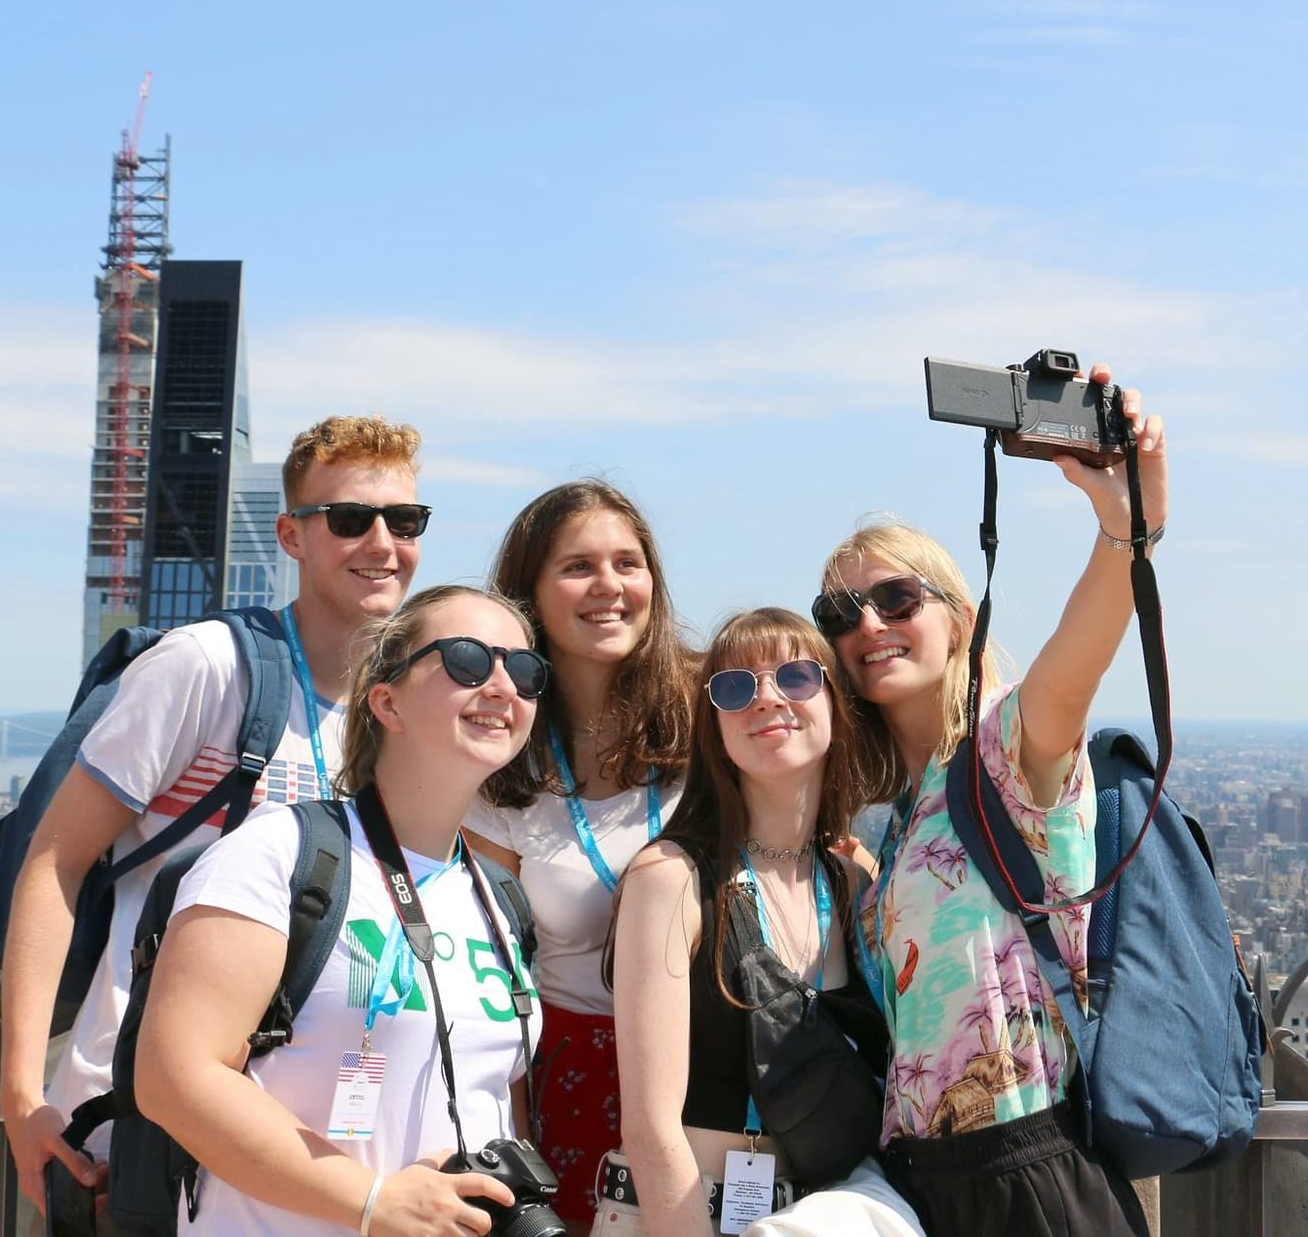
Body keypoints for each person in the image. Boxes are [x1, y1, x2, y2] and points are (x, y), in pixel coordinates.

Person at [0, 414, 428, 1213]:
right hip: (140, 1129)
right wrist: (23, 1094)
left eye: (403, 520)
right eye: (349, 518)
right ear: (292, 536)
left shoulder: (402, 711)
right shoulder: (207, 668)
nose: (382, 542)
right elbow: (56, 860)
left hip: (303, 1149)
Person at [816, 373, 1167, 1236]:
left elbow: (1075, 665)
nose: (869, 625)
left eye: (897, 599)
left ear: (958, 619)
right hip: (924, 1184)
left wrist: (1126, 527)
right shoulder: (897, 820)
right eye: (841, 612)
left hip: (1028, 1173)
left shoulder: (1005, 749)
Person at [133, 585, 549, 1236]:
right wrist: (373, 1201)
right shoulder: (278, 854)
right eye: (468, 660)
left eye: (525, 671)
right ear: (387, 701)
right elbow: (173, 1078)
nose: (502, 686)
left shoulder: (498, 898)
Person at [604, 608, 897, 1236]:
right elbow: (650, 1128)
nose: (767, 698)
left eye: (796, 677)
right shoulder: (671, 878)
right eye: (734, 688)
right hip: (680, 1217)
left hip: (821, 1216)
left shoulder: (853, 881)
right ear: (714, 730)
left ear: (837, 707)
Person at [462, 480, 697, 1232]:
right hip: (570, 1082)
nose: (608, 585)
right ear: (529, 592)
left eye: (627, 563)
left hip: (717, 1075)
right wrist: (512, 1136)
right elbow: (490, 974)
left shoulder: (714, 713)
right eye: (577, 566)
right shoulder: (497, 758)